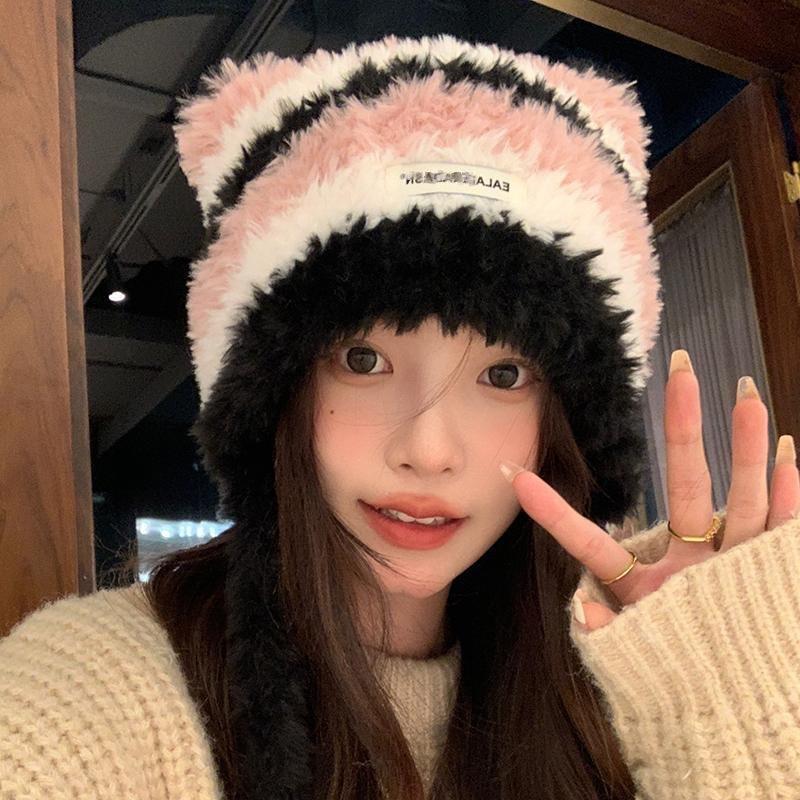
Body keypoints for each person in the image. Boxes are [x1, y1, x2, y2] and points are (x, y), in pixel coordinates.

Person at [1, 32, 799, 800]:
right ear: (273, 393)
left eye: (503, 373)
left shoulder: (611, 679)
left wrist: (725, 700)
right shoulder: (107, 686)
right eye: (363, 360)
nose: (429, 449)